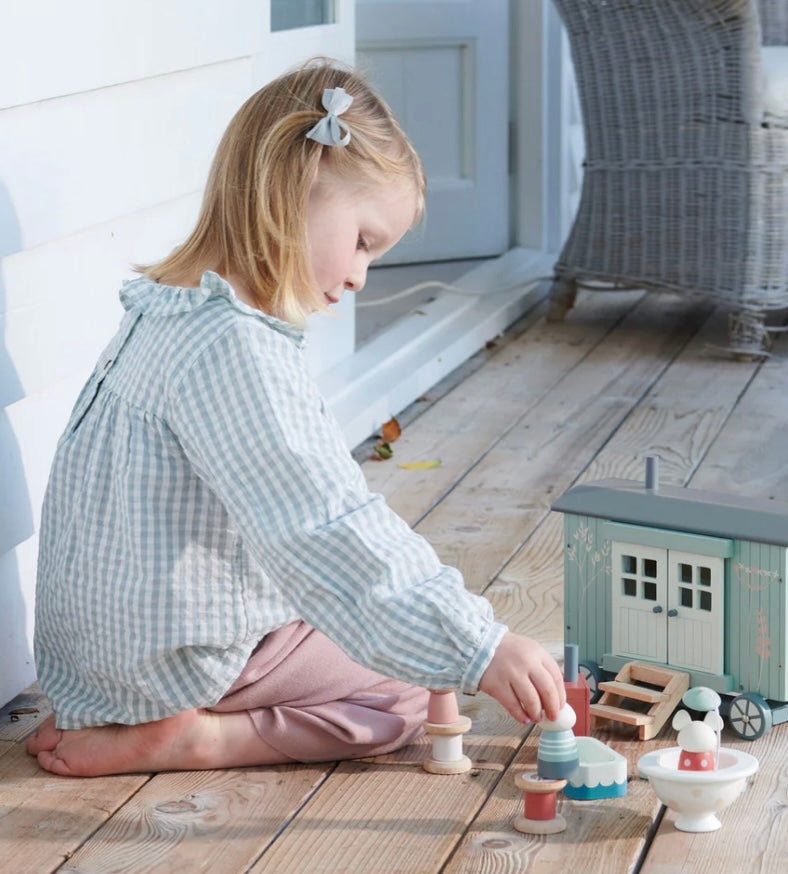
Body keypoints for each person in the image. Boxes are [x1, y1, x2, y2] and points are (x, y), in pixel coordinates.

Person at [26, 58, 566, 777]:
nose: (360, 276)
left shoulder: (165, 310)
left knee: (365, 621)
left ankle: (126, 715)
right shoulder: (239, 352)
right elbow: (324, 527)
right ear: (293, 189)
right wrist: (479, 643)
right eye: (365, 241)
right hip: (172, 666)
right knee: (411, 688)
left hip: (97, 661)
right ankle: (195, 736)